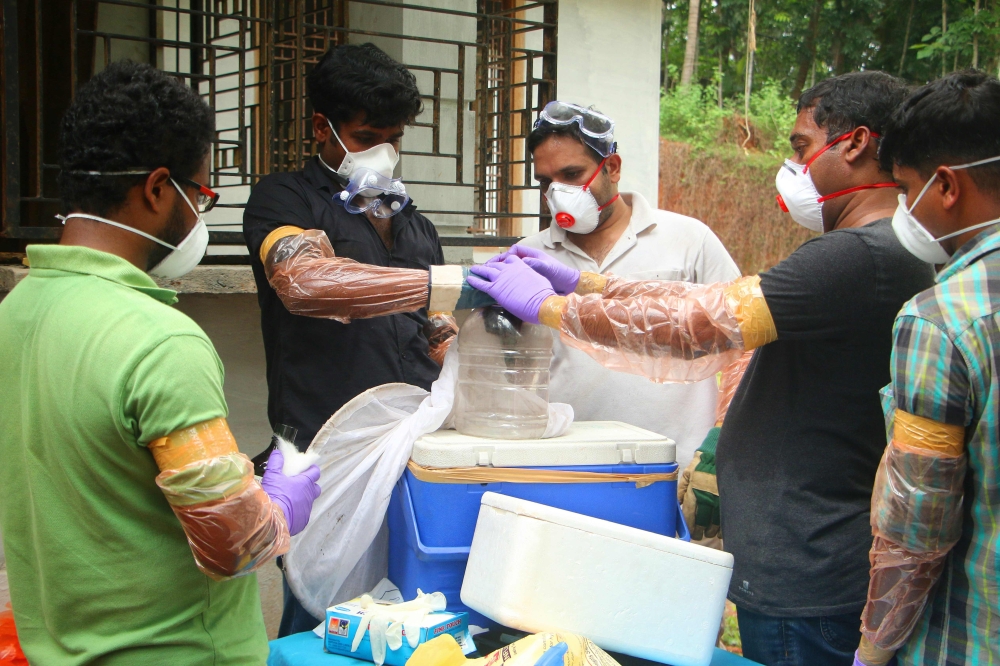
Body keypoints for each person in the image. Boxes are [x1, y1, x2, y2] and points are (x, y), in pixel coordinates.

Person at [470, 71, 936, 666]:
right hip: (800, 555)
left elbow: (700, 323)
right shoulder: (871, 253)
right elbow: (706, 308)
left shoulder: (854, 256)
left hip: (808, 569)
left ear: (855, 143)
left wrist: (551, 305)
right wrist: (592, 284)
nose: (794, 168)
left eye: (799, 147)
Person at [0, 61, 321, 665]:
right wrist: (280, 501)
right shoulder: (158, 341)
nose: (200, 215)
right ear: (156, 189)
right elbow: (232, 543)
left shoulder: (16, 313)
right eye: (200, 194)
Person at [242, 42, 486, 636]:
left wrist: (467, 341)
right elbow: (305, 281)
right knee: (318, 610)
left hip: (409, 450)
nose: (386, 150)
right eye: (369, 133)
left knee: (408, 608)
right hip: (321, 452)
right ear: (322, 127)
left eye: (395, 137)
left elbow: (426, 327)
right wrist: (439, 284)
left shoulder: (412, 220)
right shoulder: (284, 200)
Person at [854, 71, 1000, 666]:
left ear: (945, 185)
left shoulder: (941, 319)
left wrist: (874, 648)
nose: (900, 209)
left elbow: (917, 528)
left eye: (903, 189)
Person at [509, 101, 740, 473]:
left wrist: (719, 442)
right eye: (546, 182)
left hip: (677, 465)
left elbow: (743, 341)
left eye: (572, 174)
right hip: (570, 465)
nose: (558, 193)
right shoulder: (531, 256)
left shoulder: (689, 239)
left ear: (612, 168)